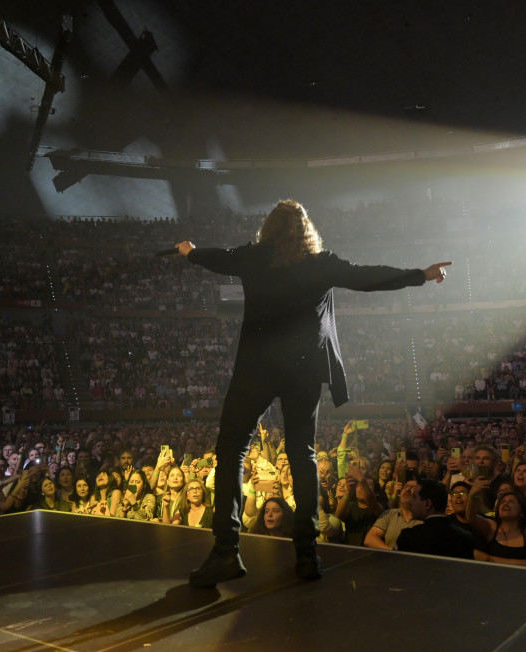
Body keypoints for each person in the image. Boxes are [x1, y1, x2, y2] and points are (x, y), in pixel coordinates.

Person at [178, 199, 451, 587]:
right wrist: (419, 275)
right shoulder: (321, 264)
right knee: (301, 454)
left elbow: (216, 258)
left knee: (232, 451)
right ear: (307, 231)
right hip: (302, 370)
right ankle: (306, 553)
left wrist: (190, 253)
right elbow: (366, 277)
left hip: (256, 368)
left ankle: (225, 551)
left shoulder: (254, 258)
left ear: (268, 229)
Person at [395, 478, 474, 559]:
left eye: (414, 497)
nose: (410, 501)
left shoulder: (409, 537)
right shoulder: (465, 537)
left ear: (427, 504)